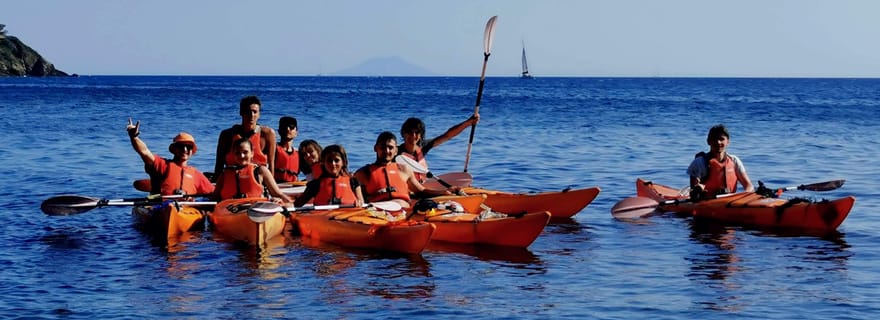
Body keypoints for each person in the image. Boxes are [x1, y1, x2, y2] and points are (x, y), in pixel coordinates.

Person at [355, 131, 459, 209]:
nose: (387, 151)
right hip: (378, 212)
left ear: (396, 151)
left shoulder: (404, 169)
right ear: (375, 148)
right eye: (383, 147)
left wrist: (444, 192)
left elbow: (421, 191)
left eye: (390, 148)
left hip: (404, 210)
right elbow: (355, 198)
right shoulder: (363, 173)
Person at [125, 118, 214, 198]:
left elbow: (214, 193)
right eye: (181, 146)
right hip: (161, 207)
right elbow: (144, 152)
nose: (185, 149)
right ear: (174, 149)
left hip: (187, 211)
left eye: (189, 146)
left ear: (192, 151)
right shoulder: (161, 165)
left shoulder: (196, 174)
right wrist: (134, 137)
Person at [398, 113, 479, 182]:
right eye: (410, 132)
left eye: (417, 132)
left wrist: (468, 123)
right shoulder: (395, 152)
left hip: (423, 186)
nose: (413, 136)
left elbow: (447, 135)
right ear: (404, 133)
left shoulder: (423, 146)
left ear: (421, 135)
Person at [214, 95, 277, 180]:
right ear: (241, 112)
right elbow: (219, 165)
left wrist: (271, 186)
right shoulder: (226, 135)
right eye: (248, 112)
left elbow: (271, 163)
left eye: (255, 112)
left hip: (257, 181)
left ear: (259, 114)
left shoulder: (267, 134)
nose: (252, 115)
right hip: (233, 180)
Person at [214, 138, 293, 203]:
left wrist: (287, 203)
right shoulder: (225, 174)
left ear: (252, 153)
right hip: (230, 211)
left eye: (245, 152)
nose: (241, 156)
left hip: (256, 209)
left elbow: (277, 193)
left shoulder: (261, 171)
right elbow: (215, 197)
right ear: (233, 155)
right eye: (237, 153)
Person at [687, 124, 754, 199]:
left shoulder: (734, 160)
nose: (718, 142)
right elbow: (693, 194)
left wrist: (743, 196)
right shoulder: (699, 163)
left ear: (728, 141)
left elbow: (749, 186)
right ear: (708, 141)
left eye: (721, 139)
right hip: (708, 202)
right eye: (714, 139)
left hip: (731, 201)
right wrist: (698, 189)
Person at [294, 144, 365, 207]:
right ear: (323, 163)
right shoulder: (315, 185)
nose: (333, 164)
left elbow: (361, 201)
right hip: (323, 218)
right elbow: (296, 205)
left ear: (343, 162)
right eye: (329, 161)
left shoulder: (353, 181)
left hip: (348, 217)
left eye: (336, 160)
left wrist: (359, 203)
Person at [274, 116, 300, 183]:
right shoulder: (273, 149)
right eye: (284, 126)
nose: (288, 129)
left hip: (292, 188)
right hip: (276, 186)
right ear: (279, 131)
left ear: (296, 132)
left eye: (291, 127)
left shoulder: (299, 154)